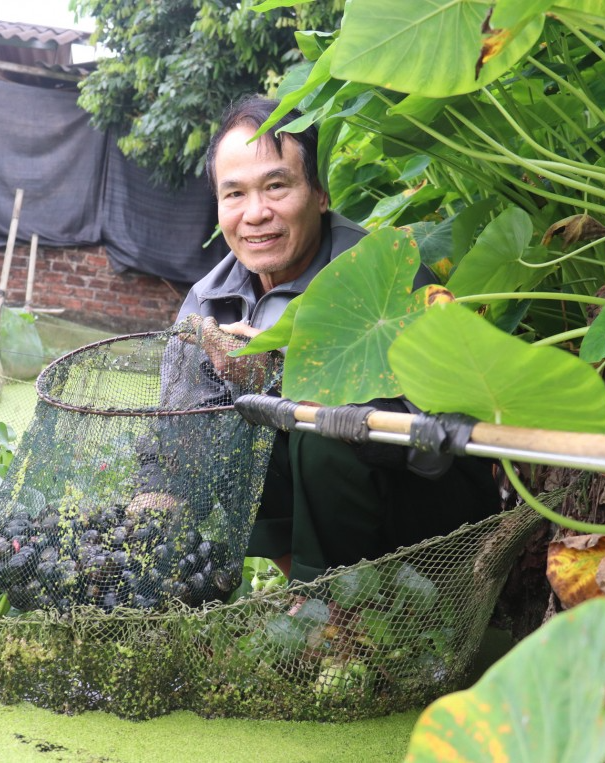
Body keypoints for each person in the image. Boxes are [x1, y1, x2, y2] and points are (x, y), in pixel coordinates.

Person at [146, 96, 500, 584]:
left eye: (276, 186)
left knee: (318, 426)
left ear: (320, 193)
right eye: (234, 194)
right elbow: (179, 432)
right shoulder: (209, 300)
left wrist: (285, 374)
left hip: (432, 514)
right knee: (231, 427)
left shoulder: (384, 275)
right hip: (325, 522)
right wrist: (151, 511)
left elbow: (438, 443)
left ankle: (331, 602)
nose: (255, 213)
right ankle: (315, 595)